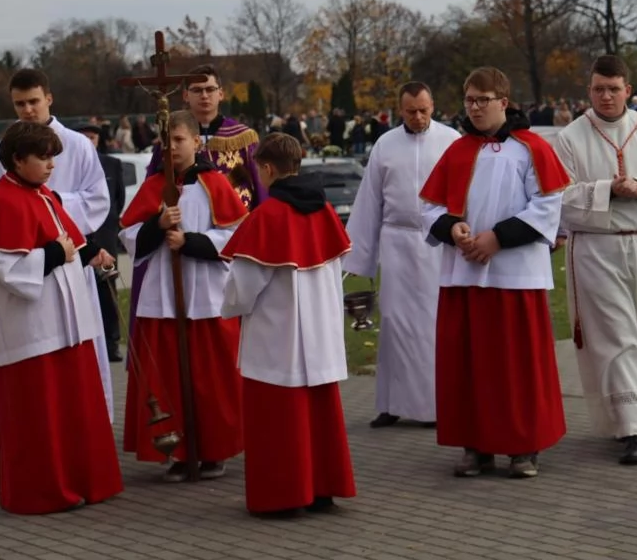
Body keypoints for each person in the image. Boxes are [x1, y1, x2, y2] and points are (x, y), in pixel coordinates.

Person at [420, 66, 570, 479]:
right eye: (469, 100)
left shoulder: (532, 148)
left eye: (481, 100)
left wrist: (496, 239)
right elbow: (429, 207)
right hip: (464, 274)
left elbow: (546, 207)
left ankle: (524, 447)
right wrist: (455, 230)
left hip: (515, 274)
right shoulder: (456, 150)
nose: (474, 108)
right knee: (469, 366)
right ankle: (476, 446)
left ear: (504, 102)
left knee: (517, 367)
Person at [0, 120, 123, 514]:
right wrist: (55, 254)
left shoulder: (43, 194)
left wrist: (90, 255)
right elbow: (1, 264)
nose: (52, 164)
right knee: (45, 417)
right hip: (34, 334)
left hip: (66, 328)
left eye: (53, 155)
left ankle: (85, 480)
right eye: (43, 157)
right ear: (18, 160)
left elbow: (70, 241)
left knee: (73, 412)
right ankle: (47, 490)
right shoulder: (5, 201)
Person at [551, 55, 637, 465]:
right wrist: (606, 191)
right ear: (588, 91)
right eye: (598, 89)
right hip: (597, 249)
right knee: (616, 337)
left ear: (628, 89)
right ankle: (632, 426)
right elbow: (558, 195)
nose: (606, 96)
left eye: (613, 89)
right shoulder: (571, 138)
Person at [220, 133, 356, 517]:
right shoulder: (325, 211)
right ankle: (321, 490)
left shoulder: (266, 217)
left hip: (277, 339)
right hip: (320, 336)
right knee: (319, 418)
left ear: (266, 169)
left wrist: (227, 306)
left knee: (279, 422)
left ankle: (284, 495)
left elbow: (244, 288)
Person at [0, 69, 116, 420]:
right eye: (20, 103)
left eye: (34, 101)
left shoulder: (77, 145)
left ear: (49, 98)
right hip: (28, 265)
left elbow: (97, 200)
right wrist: (23, 224)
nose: (28, 109)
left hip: (70, 261)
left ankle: (93, 421)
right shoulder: (1, 153)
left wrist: (51, 207)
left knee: (82, 351)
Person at [119, 111, 248, 482]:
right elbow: (128, 235)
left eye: (179, 140)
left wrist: (191, 242)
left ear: (196, 142)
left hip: (205, 296)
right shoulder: (154, 185)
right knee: (168, 377)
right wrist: (157, 228)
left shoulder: (215, 184)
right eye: (166, 141)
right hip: (164, 298)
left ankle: (213, 451)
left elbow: (237, 236)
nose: (172, 147)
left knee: (210, 378)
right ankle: (175, 451)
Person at [343, 81, 460, 429]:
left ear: (433, 105)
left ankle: (433, 406)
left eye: (424, 110)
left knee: (432, 324)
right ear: (400, 109)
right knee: (393, 323)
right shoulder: (385, 144)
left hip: (437, 243)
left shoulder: (451, 141)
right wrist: (361, 257)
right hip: (397, 242)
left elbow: (465, 193)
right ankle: (391, 403)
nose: (418, 117)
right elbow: (369, 202)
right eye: (411, 111)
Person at [144, 64, 263, 210]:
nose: (204, 95)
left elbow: (261, 186)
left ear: (221, 94)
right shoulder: (169, 138)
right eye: (197, 90)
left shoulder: (244, 138)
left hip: (236, 224)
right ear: (186, 95)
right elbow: (151, 187)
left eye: (210, 89)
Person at [77, 124, 126, 362]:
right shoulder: (71, 165)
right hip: (81, 243)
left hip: (105, 238)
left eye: (92, 137)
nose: (88, 141)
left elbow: (118, 199)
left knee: (108, 291)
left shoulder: (111, 165)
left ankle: (112, 342)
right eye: (84, 137)